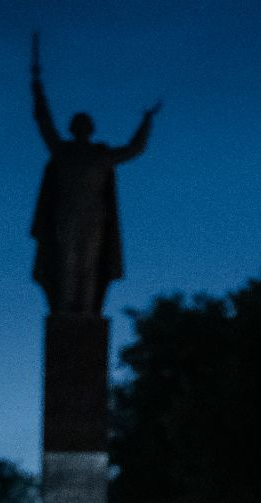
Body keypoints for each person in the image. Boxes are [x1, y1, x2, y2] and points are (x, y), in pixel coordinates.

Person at [29, 35, 160, 315]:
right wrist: (37, 89)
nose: (81, 127)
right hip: (66, 213)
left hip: (94, 215)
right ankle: (66, 312)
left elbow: (134, 148)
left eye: (85, 124)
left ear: (90, 128)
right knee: (66, 263)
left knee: (90, 265)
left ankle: (86, 312)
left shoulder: (102, 156)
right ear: (73, 127)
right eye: (78, 124)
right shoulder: (61, 152)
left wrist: (146, 120)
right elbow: (43, 122)